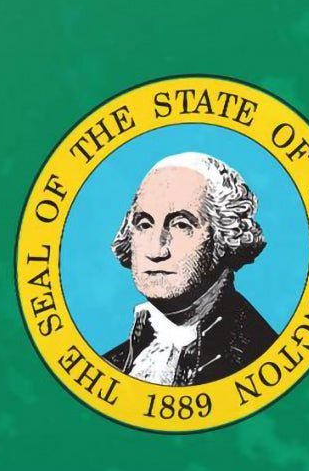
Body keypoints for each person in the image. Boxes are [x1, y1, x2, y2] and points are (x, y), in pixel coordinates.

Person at [104, 152, 276, 386]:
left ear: (226, 236)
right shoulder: (110, 366)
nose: (157, 250)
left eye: (181, 225)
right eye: (144, 224)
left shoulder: (263, 361)